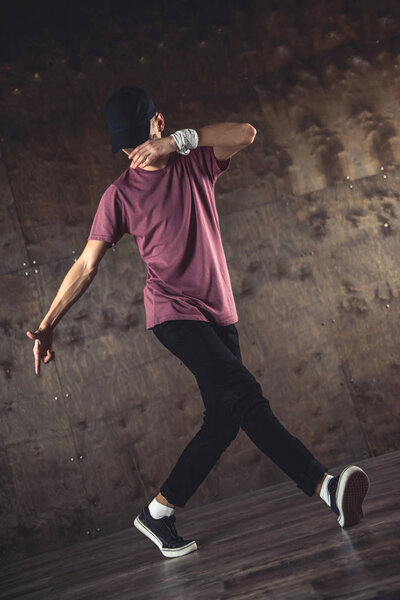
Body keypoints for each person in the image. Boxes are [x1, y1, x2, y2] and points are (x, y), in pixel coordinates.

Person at [26, 86, 370, 560]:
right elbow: (86, 265)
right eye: (125, 146)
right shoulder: (119, 194)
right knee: (247, 398)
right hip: (173, 314)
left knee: (224, 421)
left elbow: (247, 133)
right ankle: (324, 486)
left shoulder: (195, 161)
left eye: (141, 138)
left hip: (219, 313)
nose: (135, 152)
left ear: (159, 123)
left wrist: (180, 142)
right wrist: (47, 324)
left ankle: (158, 513)